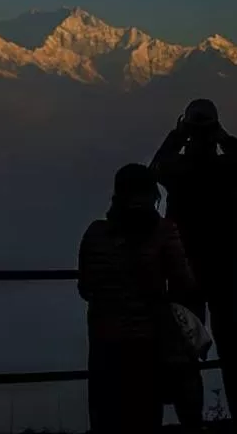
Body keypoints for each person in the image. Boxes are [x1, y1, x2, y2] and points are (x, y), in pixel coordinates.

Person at [150, 98, 237, 427]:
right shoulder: (227, 171)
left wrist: (176, 135)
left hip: (185, 274)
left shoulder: (177, 171)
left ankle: (191, 420)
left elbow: (155, 168)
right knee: (236, 350)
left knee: (186, 351)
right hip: (225, 271)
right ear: (213, 131)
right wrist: (224, 137)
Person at [78, 163, 196, 434]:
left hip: (103, 340)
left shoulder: (95, 234)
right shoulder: (165, 232)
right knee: (145, 417)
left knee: (106, 418)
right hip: (148, 342)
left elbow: (85, 287)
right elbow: (184, 283)